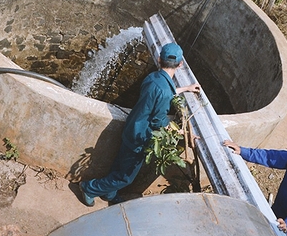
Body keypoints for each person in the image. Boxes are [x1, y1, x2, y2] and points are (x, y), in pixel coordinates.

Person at [79, 43, 200, 206]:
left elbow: (163, 92)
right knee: (126, 177)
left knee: (120, 164)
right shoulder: (164, 91)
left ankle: (109, 192)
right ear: (180, 64)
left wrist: (186, 88)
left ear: (159, 59)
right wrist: (182, 134)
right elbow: (159, 121)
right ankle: (90, 188)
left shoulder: (152, 78)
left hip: (132, 128)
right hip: (140, 137)